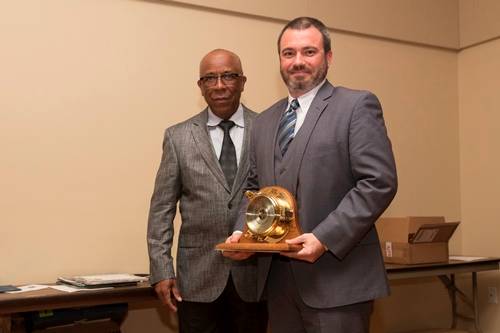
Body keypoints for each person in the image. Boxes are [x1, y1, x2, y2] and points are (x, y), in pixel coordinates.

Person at [224, 17, 398, 332]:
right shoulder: (263, 122)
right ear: (279, 60)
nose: (298, 62)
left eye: (309, 52)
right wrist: (243, 234)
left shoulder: (356, 106)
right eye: (288, 53)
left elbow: (378, 183)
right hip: (278, 286)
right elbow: (253, 190)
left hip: (338, 282)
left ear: (328, 57)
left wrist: (324, 238)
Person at [147, 49, 267, 333]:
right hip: (196, 280)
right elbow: (161, 209)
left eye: (228, 76)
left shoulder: (266, 129)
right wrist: (161, 269)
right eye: (210, 78)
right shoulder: (178, 137)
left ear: (242, 81)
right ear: (200, 86)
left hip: (254, 277)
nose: (220, 85)